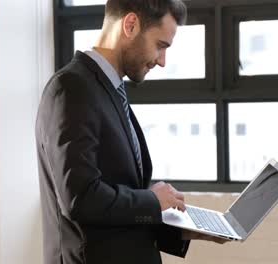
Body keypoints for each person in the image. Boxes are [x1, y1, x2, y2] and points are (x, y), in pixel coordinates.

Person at [36, 1, 226, 263]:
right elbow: (80, 198)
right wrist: (152, 200)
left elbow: (115, 198)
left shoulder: (110, 90)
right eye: (160, 45)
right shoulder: (71, 88)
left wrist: (181, 230)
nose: (162, 61)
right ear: (130, 24)